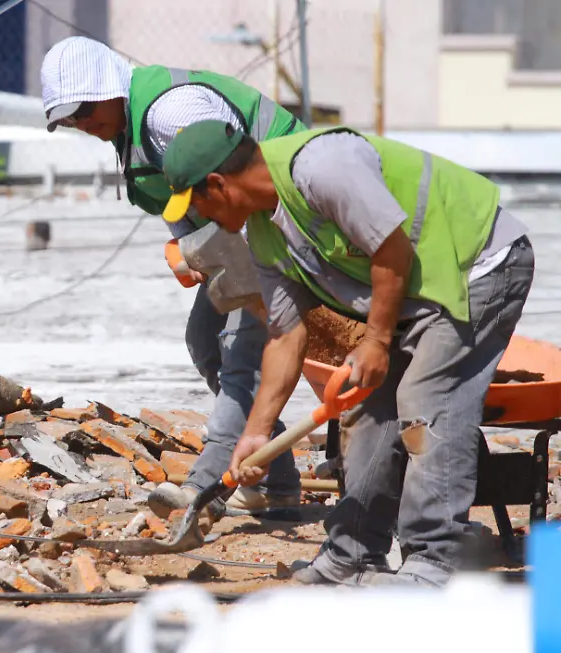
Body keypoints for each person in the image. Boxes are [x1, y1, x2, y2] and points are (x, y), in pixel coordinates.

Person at [158, 120, 534, 587]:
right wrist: (255, 434)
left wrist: (375, 341)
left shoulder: (322, 169)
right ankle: (353, 553)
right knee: (367, 408)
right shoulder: (264, 231)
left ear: (218, 184)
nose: (200, 215)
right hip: (416, 291)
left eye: (196, 202)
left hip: (478, 264)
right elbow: (284, 334)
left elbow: (390, 247)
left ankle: (434, 561)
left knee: (425, 400)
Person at [40, 36, 305, 518]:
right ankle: (279, 481)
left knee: (237, 352)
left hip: (285, 216)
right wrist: (190, 245)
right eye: (72, 118)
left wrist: (230, 264)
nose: (83, 124)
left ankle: (205, 488)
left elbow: (232, 180)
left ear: (108, 86)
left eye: (85, 109)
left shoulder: (168, 112)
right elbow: (188, 196)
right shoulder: (130, 129)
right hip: (240, 228)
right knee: (206, 342)